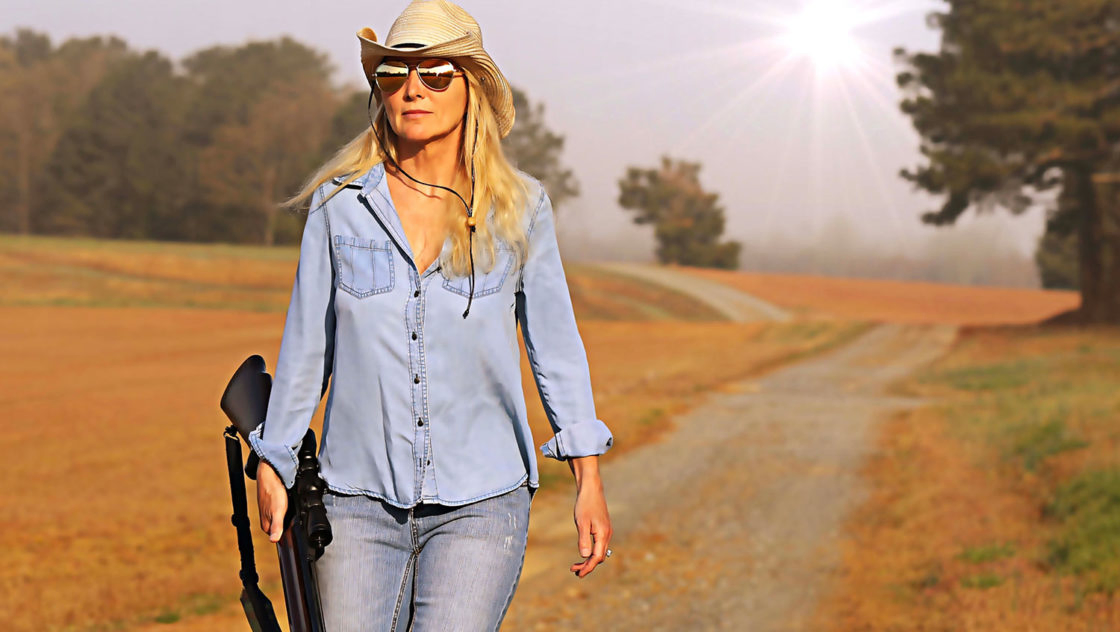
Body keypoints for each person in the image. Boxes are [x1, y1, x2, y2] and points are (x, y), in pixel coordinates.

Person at [248, 1, 614, 629]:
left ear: (471, 88)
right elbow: (308, 348)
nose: (412, 89)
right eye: (394, 74)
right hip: (356, 500)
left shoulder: (521, 209)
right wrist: (273, 459)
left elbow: (555, 349)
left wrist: (589, 479)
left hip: (483, 502)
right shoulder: (339, 205)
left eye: (436, 74)